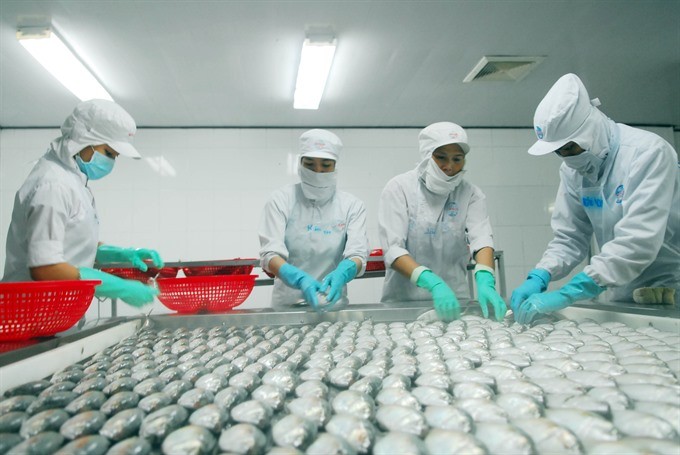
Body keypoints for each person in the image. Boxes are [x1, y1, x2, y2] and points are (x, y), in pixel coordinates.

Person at [512, 73, 680, 324]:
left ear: (590, 130)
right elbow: (570, 237)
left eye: (569, 147)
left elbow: (638, 241)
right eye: (559, 152)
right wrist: (541, 274)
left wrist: (573, 291)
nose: (567, 157)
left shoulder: (647, 153)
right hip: (617, 289)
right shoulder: (572, 170)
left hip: (669, 291)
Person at [2, 99, 163, 307]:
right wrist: (119, 287)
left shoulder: (73, 181)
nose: (111, 162)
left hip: (54, 313)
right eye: (108, 153)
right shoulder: (53, 185)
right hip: (28, 312)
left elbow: (71, 243)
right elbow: (45, 267)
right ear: (85, 139)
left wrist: (121, 254)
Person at [378, 122, 507, 322]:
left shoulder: (470, 193)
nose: (450, 167)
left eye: (458, 159)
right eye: (441, 158)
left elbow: (481, 239)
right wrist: (432, 283)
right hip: (404, 301)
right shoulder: (399, 188)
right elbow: (393, 249)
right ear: (427, 156)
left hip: (455, 301)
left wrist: (485, 278)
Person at [258, 129, 368, 311]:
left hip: (332, 303)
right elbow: (270, 254)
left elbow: (358, 254)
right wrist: (299, 278)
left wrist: (344, 272)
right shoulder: (281, 199)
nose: (318, 172)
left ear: (335, 166)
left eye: (326, 165)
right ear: (299, 164)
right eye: (310, 164)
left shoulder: (351, 205)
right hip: (287, 305)